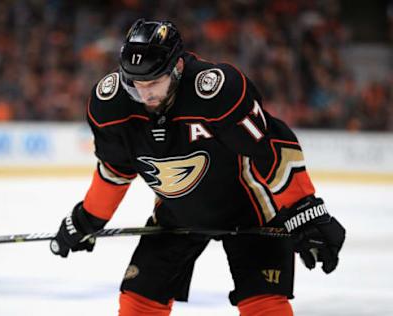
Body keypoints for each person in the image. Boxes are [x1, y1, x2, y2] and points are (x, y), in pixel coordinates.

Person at [50, 19, 346, 316]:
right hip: (177, 213)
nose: (145, 96)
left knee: (264, 304)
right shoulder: (110, 105)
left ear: (177, 68)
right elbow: (116, 169)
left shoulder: (217, 92)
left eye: (153, 83)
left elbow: (271, 148)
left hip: (252, 209)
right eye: (135, 85)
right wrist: (87, 218)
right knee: (138, 302)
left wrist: (304, 209)